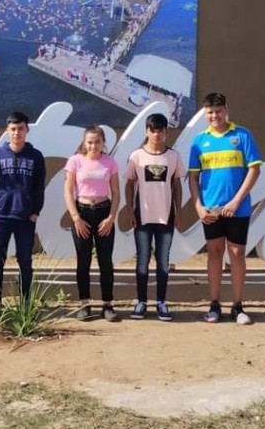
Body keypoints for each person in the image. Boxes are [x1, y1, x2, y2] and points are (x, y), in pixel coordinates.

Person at [188, 92, 262, 325]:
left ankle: (238, 306)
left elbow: (254, 170)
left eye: (218, 111)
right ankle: (214, 305)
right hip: (210, 210)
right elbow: (193, 178)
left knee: (237, 255)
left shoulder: (242, 135)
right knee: (214, 254)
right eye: (210, 112)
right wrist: (198, 206)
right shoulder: (199, 141)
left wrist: (236, 201)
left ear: (226, 110)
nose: (214, 116)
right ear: (205, 114)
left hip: (237, 209)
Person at [0, 112, 46, 314]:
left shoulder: (35, 156)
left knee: (25, 260)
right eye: (13, 129)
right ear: (7, 130)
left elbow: (39, 187)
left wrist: (36, 211)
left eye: (20, 128)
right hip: (1, 215)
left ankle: (26, 301)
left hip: (25, 217)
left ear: (26, 129)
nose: (17, 133)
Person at [124, 112, 183, 321]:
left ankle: (161, 302)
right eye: (152, 130)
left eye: (160, 130)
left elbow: (176, 184)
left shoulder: (173, 156)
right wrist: (130, 210)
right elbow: (129, 182)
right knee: (142, 260)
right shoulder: (136, 156)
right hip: (142, 217)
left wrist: (178, 212)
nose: (156, 134)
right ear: (146, 131)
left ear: (166, 132)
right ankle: (141, 302)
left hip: (166, 216)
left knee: (163, 261)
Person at [64, 125, 120, 321]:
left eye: (97, 142)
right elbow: (68, 190)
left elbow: (116, 193)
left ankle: (107, 304)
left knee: (105, 261)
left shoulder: (110, 162)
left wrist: (111, 218)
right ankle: (84, 303)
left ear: (104, 142)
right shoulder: (75, 161)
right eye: (89, 142)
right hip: (82, 213)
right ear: (84, 142)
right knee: (83, 260)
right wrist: (76, 217)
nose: (93, 146)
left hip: (104, 212)